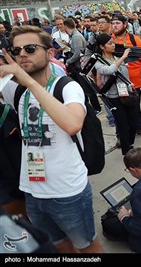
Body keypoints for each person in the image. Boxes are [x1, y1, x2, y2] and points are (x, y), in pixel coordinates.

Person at [0, 25, 104, 253]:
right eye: (16, 51)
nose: (22, 55)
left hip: (67, 192)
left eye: (29, 48)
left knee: (87, 246)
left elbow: (72, 124)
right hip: (33, 191)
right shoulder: (15, 91)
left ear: (49, 53)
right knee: (58, 246)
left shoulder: (67, 87)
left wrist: (29, 82)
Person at [94, 33, 136, 155]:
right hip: (113, 97)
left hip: (126, 93)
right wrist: (123, 57)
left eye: (113, 43)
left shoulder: (117, 56)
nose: (113, 45)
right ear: (102, 47)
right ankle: (126, 150)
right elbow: (109, 70)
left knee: (133, 121)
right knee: (122, 124)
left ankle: (129, 143)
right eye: (109, 44)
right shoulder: (98, 61)